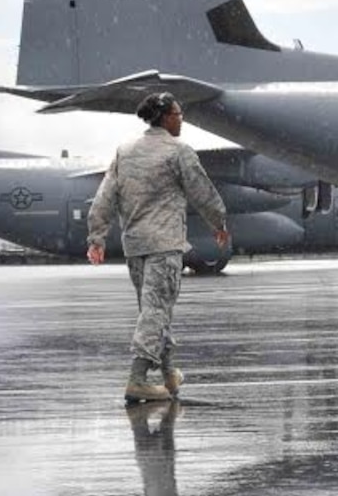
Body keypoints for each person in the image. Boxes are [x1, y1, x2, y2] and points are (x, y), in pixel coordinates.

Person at [86, 93, 232, 403]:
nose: (181, 119)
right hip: (164, 245)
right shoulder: (178, 152)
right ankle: (137, 379)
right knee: (155, 311)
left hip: (135, 246)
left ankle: (168, 375)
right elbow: (202, 191)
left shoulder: (124, 152)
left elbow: (104, 197)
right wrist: (219, 223)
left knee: (153, 310)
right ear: (164, 117)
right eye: (178, 114)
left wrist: (96, 237)